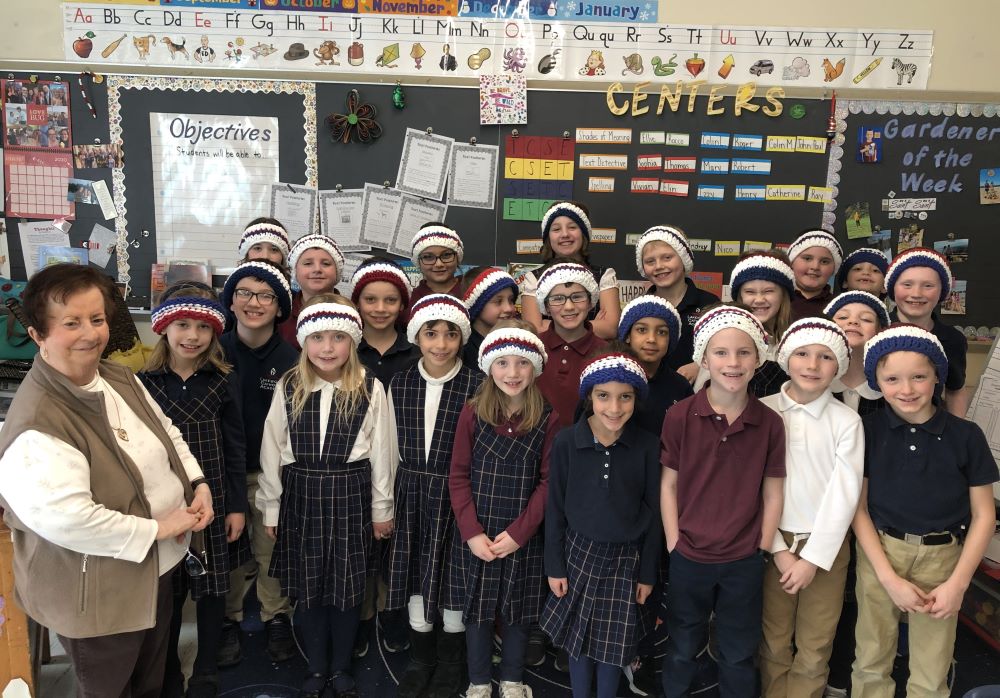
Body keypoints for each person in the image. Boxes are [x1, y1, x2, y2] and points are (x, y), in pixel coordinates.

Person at [0, 264, 213, 695]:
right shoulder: (38, 423)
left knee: (150, 678)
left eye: (96, 320)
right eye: (71, 323)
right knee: (109, 687)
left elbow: (166, 431)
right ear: (39, 334)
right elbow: (69, 520)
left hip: (156, 567)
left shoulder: (115, 376)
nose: (90, 334)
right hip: (98, 591)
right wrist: (158, 528)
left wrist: (197, 482)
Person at [256, 295, 394, 697]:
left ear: (352, 341)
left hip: (351, 493)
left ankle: (341, 666)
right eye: (317, 337)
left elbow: (383, 455)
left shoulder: (370, 386)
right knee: (310, 588)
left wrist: (381, 508)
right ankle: (316, 665)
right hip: (300, 496)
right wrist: (272, 506)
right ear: (303, 341)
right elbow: (271, 448)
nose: (327, 347)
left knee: (348, 589)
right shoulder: (289, 385)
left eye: (338, 337)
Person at [851, 325, 998, 697]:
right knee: (871, 658)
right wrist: (887, 578)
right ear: (877, 381)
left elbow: (984, 515)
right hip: (881, 554)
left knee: (932, 668)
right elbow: (859, 510)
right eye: (893, 379)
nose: (907, 389)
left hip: (944, 558)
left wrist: (958, 584)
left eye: (919, 376)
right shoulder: (866, 430)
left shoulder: (966, 436)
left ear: (937, 376)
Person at [660, 304, 786, 698]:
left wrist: (762, 546)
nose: (733, 363)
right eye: (721, 353)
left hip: (743, 558)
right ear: (704, 359)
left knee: (737, 650)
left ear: (758, 358)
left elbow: (773, 488)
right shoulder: (680, 416)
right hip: (689, 555)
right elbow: (669, 485)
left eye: (744, 352)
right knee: (682, 643)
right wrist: (673, 542)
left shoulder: (769, 422)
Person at [140, 287, 249, 698]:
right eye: (183, 324)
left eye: (204, 327)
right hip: (164, 500)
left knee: (212, 586)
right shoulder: (143, 383)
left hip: (214, 496)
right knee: (168, 590)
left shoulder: (223, 380)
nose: (193, 335)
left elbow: (236, 446)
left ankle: (205, 667)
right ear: (165, 328)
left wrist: (236, 506)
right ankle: (168, 670)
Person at [448, 320, 561, 698]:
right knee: (477, 614)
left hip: (521, 536)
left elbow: (549, 483)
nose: (512, 373)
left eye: (522, 363)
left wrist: (519, 533)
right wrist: (471, 532)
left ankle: (512, 678)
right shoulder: (473, 412)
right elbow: (458, 475)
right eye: (502, 363)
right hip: (479, 533)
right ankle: (479, 680)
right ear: (488, 367)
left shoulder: (548, 417)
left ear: (535, 367)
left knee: (518, 613)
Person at [541, 348, 662, 698]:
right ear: (589, 396)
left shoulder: (647, 447)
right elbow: (556, 509)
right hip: (578, 555)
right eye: (603, 396)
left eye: (625, 397)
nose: (614, 408)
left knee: (613, 644)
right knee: (578, 639)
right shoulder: (566, 441)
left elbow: (654, 515)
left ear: (636, 399)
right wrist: (555, 566)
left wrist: (647, 574)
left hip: (627, 560)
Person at [758, 318, 863, 698]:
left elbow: (845, 494)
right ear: (786, 358)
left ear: (838, 366)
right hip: (776, 545)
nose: (813, 365)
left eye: (825, 357)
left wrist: (813, 558)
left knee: (816, 644)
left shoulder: (847, 421)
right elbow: (753, 488)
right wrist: (780, 551)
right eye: (802, 353)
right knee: (773, 640)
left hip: (827, 551)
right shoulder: (763, 412)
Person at [386, 294, 483, 698]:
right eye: (431, 333)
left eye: (450, 334)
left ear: (462, 338)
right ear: (417, 336)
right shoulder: (401, 382)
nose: (441, 344)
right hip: (411, 492)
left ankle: (450, 659)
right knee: (416, 576)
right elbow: (389, 447)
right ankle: (421, 656)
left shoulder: (478, 385)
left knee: (454, 578)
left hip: (459, 496)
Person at [218, 260, 299, 666]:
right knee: (230, 552)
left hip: (273, 476)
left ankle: (276, 617)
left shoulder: (291, 359)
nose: (254, 302)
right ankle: (229, 619)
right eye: (244, 293)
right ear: (231, 301)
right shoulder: (214, 350)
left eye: (265, 295)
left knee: (271, 550)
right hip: (223, 474)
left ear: (280, 307)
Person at [348, 257, 419, 656]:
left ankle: (393, 614)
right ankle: (361, 617)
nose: (379, 308)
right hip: (356, 469)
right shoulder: (344, 348)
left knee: (398, 547)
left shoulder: (414, 351)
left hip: (405, 465)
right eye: (370, 299)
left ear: (401, 305)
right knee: (360, 547)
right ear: (357, 303)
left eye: (390, 299)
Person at [884, 247, 970, 416]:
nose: (916, 294)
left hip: (928, 433)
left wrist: (959, 435)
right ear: (893, 288)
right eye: (907, 285)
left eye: (928, 285)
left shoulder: (952, 340)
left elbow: (955, 390)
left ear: (942, 292)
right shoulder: (876, 330)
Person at [520, 201, 620, 340]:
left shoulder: (604, 276)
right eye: (556, 229)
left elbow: (610, 329)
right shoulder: (533, 279)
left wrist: (550, 325)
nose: (565, 234)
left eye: (572, 227)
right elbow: (533, 331)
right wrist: (591, 325)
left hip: (594, 357)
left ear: (584, 233)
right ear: (548, 237)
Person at [634, 225, 719, 383]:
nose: (659, 266)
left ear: (684, 259)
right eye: (650, 261)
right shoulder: (638, 308)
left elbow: (724, 348)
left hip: (698, 394)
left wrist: (699, 366)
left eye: (667, 258)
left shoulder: (710, 304)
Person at [704, 251, 795, 397]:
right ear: (739, 296)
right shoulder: (721, 336)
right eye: (750, 292)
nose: (759, 299)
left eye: (768, 291)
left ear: (783, 295)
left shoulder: (795, 343)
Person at [535, 259, 606, 430]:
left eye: (577, 297)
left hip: (586, 450)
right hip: (535, 448)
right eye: (558, 299)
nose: (568, 306)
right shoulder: (532, 346)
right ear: (546, 306)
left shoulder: (606, 353)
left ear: (590, 302)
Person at [617, 296, 692, 436]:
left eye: (661, 332)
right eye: (642, 330)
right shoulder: (610, 379)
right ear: (628, 336)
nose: (651, 339)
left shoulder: (680, 386)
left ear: (671, 340)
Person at [825, 291, 890, 416]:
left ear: (880, 331)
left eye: (866, 319)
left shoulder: (890, 393)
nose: (853, 321)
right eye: (843, 317)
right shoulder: (813, 384)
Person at [278, 233, 346, 349]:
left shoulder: (351, 313)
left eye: (326, 264)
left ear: (337, 271)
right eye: (308, 263)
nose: (317, 269)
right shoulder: (282, 316)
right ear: (295, 271)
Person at [460, 266, 519, 370]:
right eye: (498, 301)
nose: (509, 308)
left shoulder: (519, 340)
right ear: (476, 306)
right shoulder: (463, 349)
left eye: (511, 300)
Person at [787, 229, 843, 321]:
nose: (815, 267)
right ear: (792, 262)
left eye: (824, 261)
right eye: (807, 258)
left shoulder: (840, 307)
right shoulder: (776, 300)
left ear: (834, 269)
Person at [410, 223, 464, 303]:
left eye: (446, 255)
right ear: (418, 262)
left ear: (458, 257)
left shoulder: (474, 292)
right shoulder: (409, 300)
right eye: (428, 257)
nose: (439, 264)